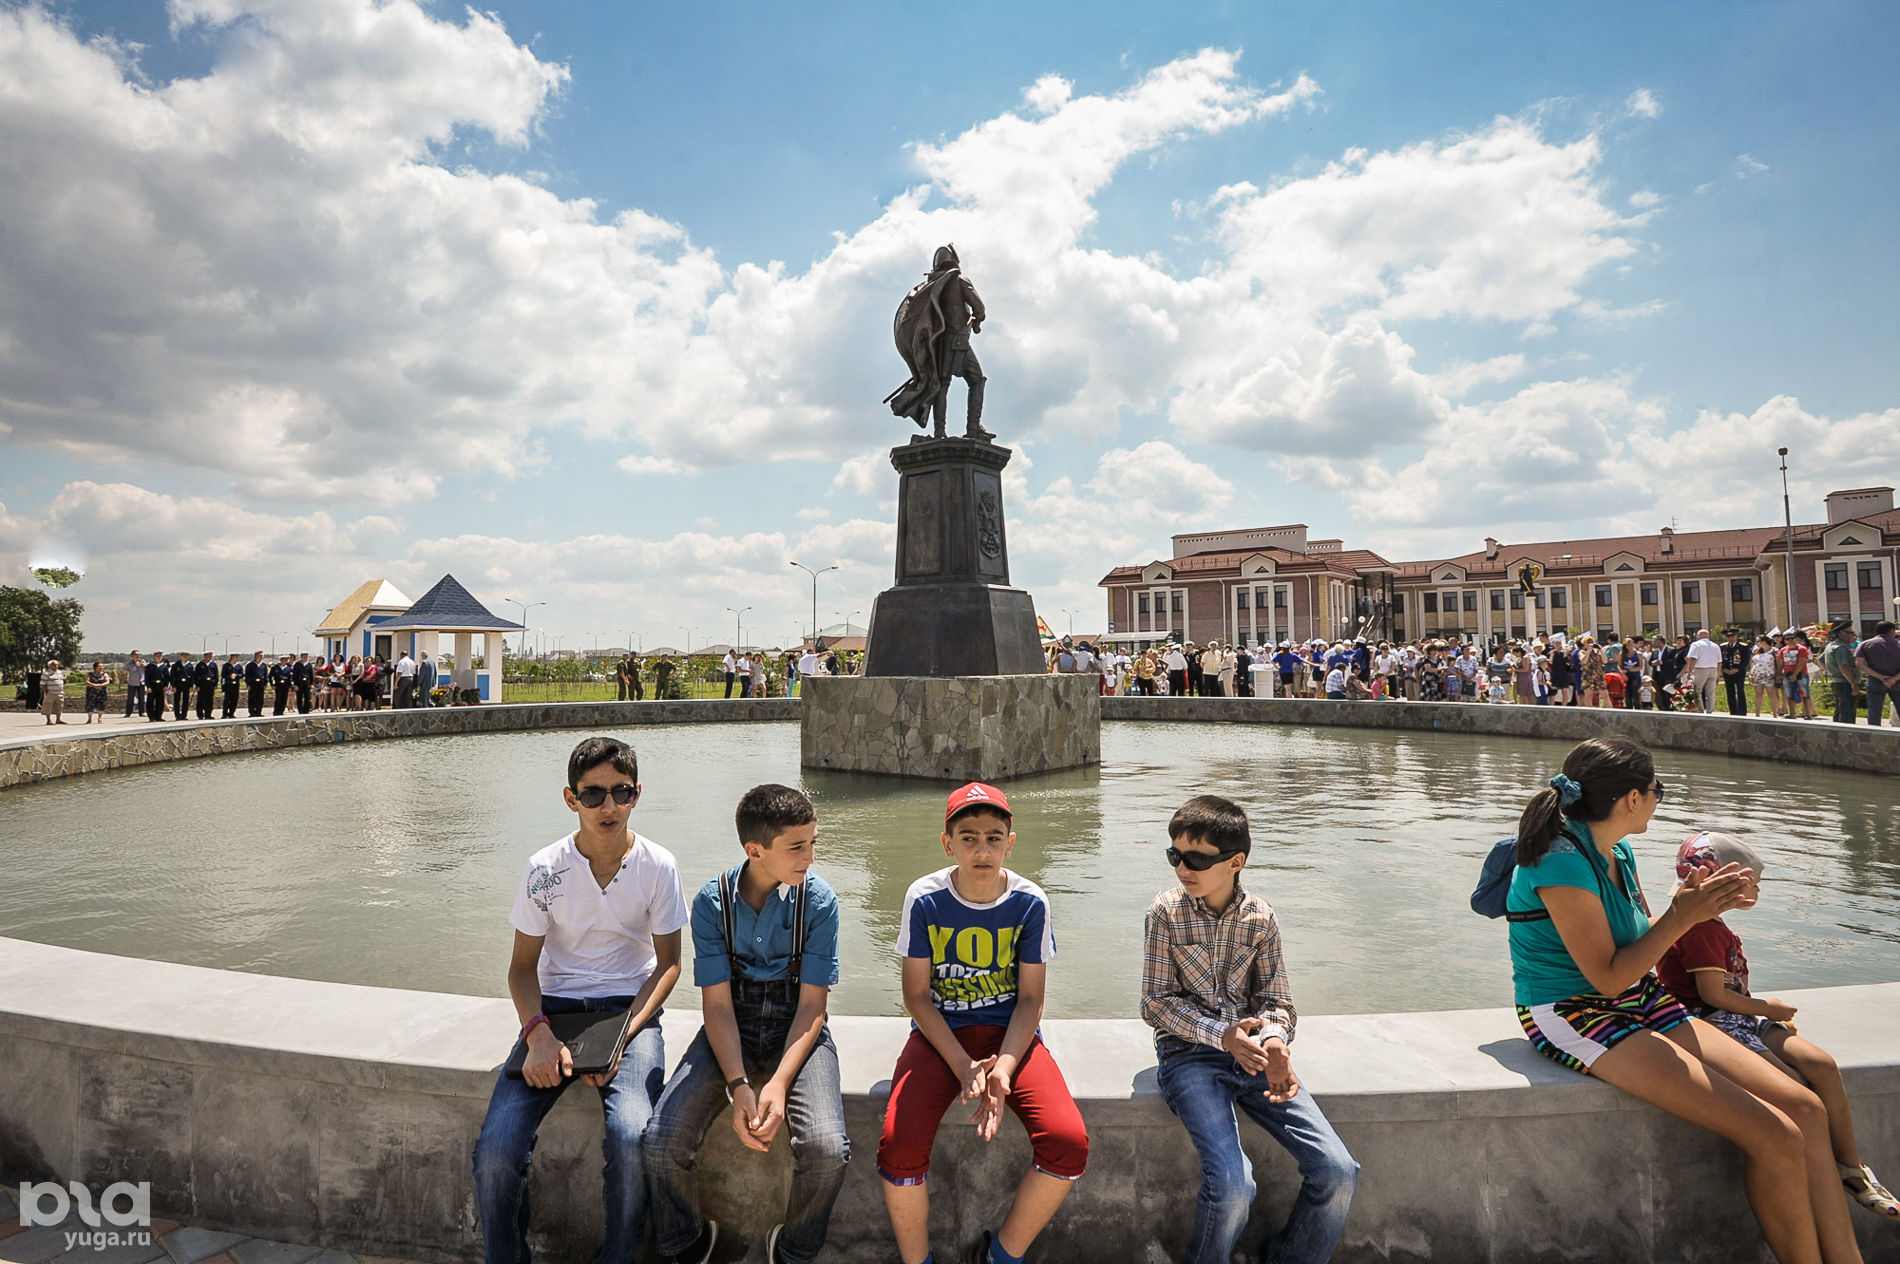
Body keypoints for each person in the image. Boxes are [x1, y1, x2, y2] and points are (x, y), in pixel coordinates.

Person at [1507, 737, 1862, 1264]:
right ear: (1631, 799)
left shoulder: (1616, 850)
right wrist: (1681, 917)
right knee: (1774, 1133)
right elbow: (1605, 978)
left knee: (1806, 1109)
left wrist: (1705, 909)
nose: (1658, 799)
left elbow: (1638, 948)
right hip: (1575, 1012)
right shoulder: (1560, 863)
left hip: (1642, 997)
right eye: (1657, 790)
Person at [471, 737, 689, 1264]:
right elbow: (522, 968)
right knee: (497, 1151)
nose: (607, 807)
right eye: (593, 795)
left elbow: (669, 965)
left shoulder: (658, 865)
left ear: (638, 794)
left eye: (621, 792)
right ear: (571, 799)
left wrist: (622, 1035)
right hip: (555, 1011)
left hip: (629, 1013)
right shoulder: (544, 869)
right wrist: (538, 1034)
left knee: (632, 1137)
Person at [1141, 795, 1357, 1264]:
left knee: (1339, 1171)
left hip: (1258, 1057)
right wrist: (1221, 1035)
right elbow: (1155, 1004)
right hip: (1188, 1057)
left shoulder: (1261, 918)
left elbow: (1277, 1001)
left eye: (1196, 858)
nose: (1182, 867)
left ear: (1235, 862)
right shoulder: (1165, 913)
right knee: (1235, 1183)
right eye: (1174, 855)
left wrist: (1275, 1041)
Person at [877, 783, 1085, 1264]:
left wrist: (1003, 1070)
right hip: (939, 1036)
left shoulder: (1030, 901)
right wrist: (964, 1064)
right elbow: (916, 996)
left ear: (1011, 842)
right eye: (968, 837)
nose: (982, 849)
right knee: (898, 1147)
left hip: (1010, 1034)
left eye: (994, 837)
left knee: (1068, 1144)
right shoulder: (924, 898)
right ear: (947, 843)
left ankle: (1001, 1257)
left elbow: (1031, 1000)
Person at [643, 783, 849, 1264]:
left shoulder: (820, 903)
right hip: (730, 1022)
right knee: (659, 1141)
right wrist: (739, 1084)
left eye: (814, 842)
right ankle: (690, 1243)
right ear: (755, 850)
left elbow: (812, 1008)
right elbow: (715, 1007)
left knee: (827, 1151)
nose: (810, 857)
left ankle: (793, 1251)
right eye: (797, 847)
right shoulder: (712, 903)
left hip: (798, 1029)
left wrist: (777, 1083)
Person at [1656, 832, 1900, 1223]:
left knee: (1821, 1065)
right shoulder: (1700, 928)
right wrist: (1768, 1007)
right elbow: (1712, 995)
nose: (1758, 889)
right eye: (1752, 882)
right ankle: (1813, 1174)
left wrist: (1761, 1011)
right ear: (1727, 883)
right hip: (1711, 1022)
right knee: (1795, 1088)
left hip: (1741, 1018)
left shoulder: (1713, 925)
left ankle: (1852, 1169)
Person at [1855, 620, 1900, 727]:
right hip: (1898, 682)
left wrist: (1880, 677)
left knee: (1874, 713)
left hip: (1875, 681)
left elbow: (1860, 664)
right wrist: (1893, 679)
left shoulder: (1865, 644)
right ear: (1892, 631)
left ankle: (1874, 737)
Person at [1819, 621, 1862, 725]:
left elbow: (1820, 660)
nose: (1853, 636)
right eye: (1851, 633)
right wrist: (1853, 684)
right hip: (1845, 683)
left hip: (1837, 681)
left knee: (1840, 710)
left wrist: (1831, 671)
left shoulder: (1831, 645)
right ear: (1842, 634)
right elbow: (1844, 667)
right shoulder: (1842, 648)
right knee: (1846, 713)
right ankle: (1846, 736)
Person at [1684, 628, 1723, 714]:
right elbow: (1719, 662)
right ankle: (1710, 710)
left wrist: (1689, 671)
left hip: (1700, 669)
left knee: (1697, 691)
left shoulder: (1696, 644)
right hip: (1713, 669)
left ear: (1700, 635)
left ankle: (1700, 710)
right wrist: (1718, 674)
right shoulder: (1716, 645)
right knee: (1711, 692)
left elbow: (1693, 658)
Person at [1781, 631, 1817, 720]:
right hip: (1787, 674)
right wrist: (1778, 674)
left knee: (1805, 694)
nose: (1790, 640)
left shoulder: (1802, 649)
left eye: (1792, 638)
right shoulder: (1783, 650)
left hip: (1801, 674)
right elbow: (1780, 663)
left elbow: (1802, 662)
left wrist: (1794, 674)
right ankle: (1792, 714)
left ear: (1796, 639)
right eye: (1787, 639)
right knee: (1789, 694)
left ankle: (1808, 714)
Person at [1721, 629, 1751, 717]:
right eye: (1728, 637)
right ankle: (1733, 711)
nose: (1730, 639)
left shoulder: (1743, 646)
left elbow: (1746, 660)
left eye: (1732, 636)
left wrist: (1737, 669)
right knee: (1730, 692)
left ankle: (1742, 711)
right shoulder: (1723, 647)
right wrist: (1724, 669)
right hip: (1727, 672)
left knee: (1740, 691)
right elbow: (1720, 659)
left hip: (1739, 673)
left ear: (1736, 637)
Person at [40, 659, 67, 724]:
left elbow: (64, 680)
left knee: (59, 706)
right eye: (54, 665)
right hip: (50, 693)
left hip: (59, 693)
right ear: (50, 666)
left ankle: (58, 719)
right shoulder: (46, 674)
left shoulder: (60, 672)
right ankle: (48, 720)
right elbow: (43, 684)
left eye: (57, 665)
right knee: (48, 706)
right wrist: (46, 692)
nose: (56, 666)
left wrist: (61, 686)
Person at [245, 650, 268, 718]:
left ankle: (258, 712)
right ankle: (252, 712)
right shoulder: (250, 665)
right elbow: (247, 675)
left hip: (260, 683)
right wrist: (248, 684)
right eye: (260, 656)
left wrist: (265, 684)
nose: (261, 657)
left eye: (262, 656)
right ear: (256, 656)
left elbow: (265, 675)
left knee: (260, 698)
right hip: (253, 683)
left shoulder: (263, 665)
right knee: (252, 698)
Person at [145, 651, 167, 721]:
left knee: (160, 702)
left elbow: (167, 677)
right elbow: (147, 677)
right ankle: (151, 717)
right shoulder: (149, 666)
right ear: (154, 657)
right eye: (157, 656)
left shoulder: (164, 666)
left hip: (161, 686)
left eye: (160, 656)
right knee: (150, 702)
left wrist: (166, 685)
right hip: (152, 686)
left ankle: (158, 717)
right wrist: (148, 686)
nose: (159, 657)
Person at [220, 653, 243, 719]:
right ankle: (224, 713)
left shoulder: (238, 666)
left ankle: (231, 713)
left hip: (236, 685)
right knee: (227, 699)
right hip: (228, 684)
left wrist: (236, 675)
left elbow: (241, 674)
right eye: (234, 657)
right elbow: (223, 675)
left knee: (234, 699)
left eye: (236, 657)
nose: (235, 658)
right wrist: (229, 676)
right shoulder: (226, 665)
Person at [124, 652, 146, 719]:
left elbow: (148, 669)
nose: (137, 656)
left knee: (141, 698)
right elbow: (124, 672)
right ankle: (128, 713)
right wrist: (121, 682)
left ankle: (142, 712)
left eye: (139, 654)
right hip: (132, 683)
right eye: (136, 654)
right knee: (130, 699)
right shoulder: (129, 664)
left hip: (141, 683)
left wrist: (145, 666)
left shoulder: (143, 662)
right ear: (132, 656)